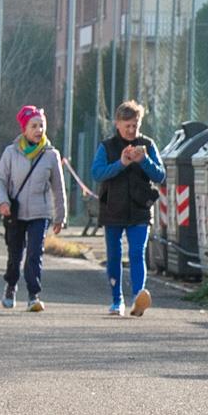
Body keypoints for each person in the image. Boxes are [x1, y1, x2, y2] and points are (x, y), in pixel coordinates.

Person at [90, 99, 164, 317]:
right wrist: (121, 163)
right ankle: (117, 300)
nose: (131, 130)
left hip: (140, 209)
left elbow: (160, 175)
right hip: (112, 208)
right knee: (114, 255)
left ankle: (139, 297)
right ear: (117, 124)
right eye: (127, 126)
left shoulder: (147, 144)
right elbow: (97, 173)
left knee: (137, 252)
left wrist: (144, 160)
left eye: (135, 125)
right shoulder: (107, 147)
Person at [0, 104, 66, 312]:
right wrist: (2, 202)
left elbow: (59, 188)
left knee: (34, 254)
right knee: (15, 255)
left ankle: (34, 295)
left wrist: (60, 217)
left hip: (40, 213)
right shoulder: (11, 152)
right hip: (15, 213)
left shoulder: (51, 155)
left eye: (41, 125)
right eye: (34, 126)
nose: (39, 130)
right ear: (24, 129)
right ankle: (11, 286)